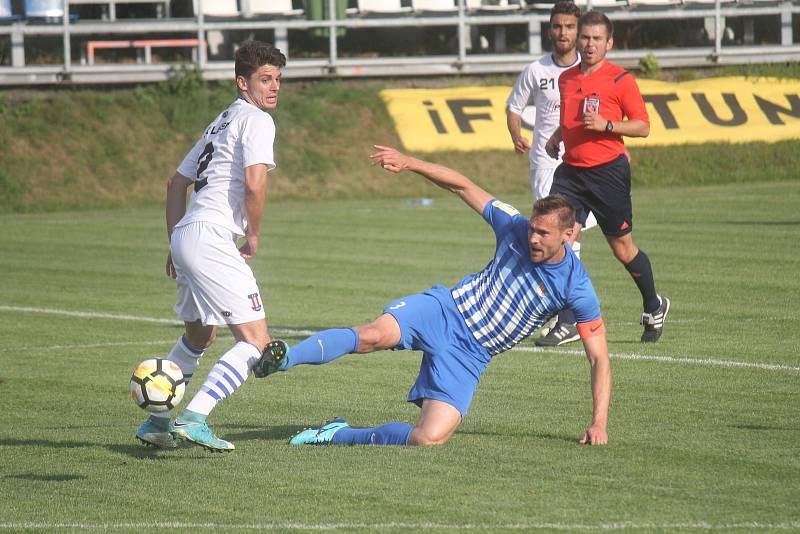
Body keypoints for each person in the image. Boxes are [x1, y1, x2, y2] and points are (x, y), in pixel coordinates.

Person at [253, 146, 612, 448]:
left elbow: (598, 359)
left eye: (543, 234)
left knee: (429, 438)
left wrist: (599, 423)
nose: (533, 238)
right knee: (373, 335)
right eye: (533, 229)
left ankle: (337, 434)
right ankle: (284, 358)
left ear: (568, 235)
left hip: (471, 355)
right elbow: (463, 186)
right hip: (445, 310)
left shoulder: (577, 288)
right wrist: (410, 163)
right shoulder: (514, 226)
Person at [135, 40, 289, 452]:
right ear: (243, 82)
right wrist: (253, 235)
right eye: (265, 79)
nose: (274, 87)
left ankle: (157, 422)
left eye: (278, 79)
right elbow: (256, 182)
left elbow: (175, 183)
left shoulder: (220, 121)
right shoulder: (256, 120)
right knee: (256, 342)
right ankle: (195, 416)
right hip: (212, 237)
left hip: (188, 233)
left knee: (200, 336)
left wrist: (176, 241)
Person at [545, 11, 670, 343]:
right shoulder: (567, 78)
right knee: (558, 240)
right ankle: (569, 318)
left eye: (597, 39)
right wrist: (558, 135)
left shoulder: (620, 80)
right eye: (585, 37)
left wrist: (608, 125)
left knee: (622, 249)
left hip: (607, 174)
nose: (589, 44)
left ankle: (654, 305)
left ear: (609, 43)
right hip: (571, 173)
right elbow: (572, 118)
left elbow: (643, 126)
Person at [506, 0, 598, 347]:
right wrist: (516, 134)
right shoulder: (536, 70)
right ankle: (562, 311)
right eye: (558, 26)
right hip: (546, 165)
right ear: (550, 29)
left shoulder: (589, 72)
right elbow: (514, 107)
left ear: (578, 31)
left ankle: (567, 314)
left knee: (572, 236)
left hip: (581, 162)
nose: (563, 33)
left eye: (570, 27)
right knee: (553, 235)